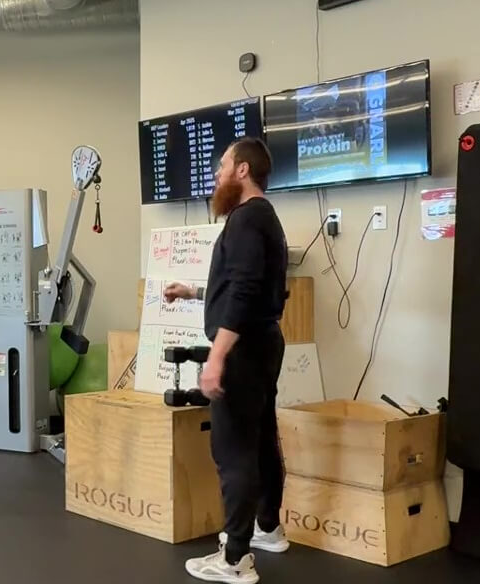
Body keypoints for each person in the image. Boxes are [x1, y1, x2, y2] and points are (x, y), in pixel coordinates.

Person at [162, 137, 288, 584]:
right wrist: (192, 291)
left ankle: (235, 558)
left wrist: (216, 358)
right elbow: (241, 284)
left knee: (233, 449)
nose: (216, 174)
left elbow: (244, 292)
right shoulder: (262, 218)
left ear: (242, 171)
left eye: (222, 166)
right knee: (259, 439)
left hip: (243, 350)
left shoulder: (246, 219)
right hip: (263, 342)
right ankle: (267, 528)